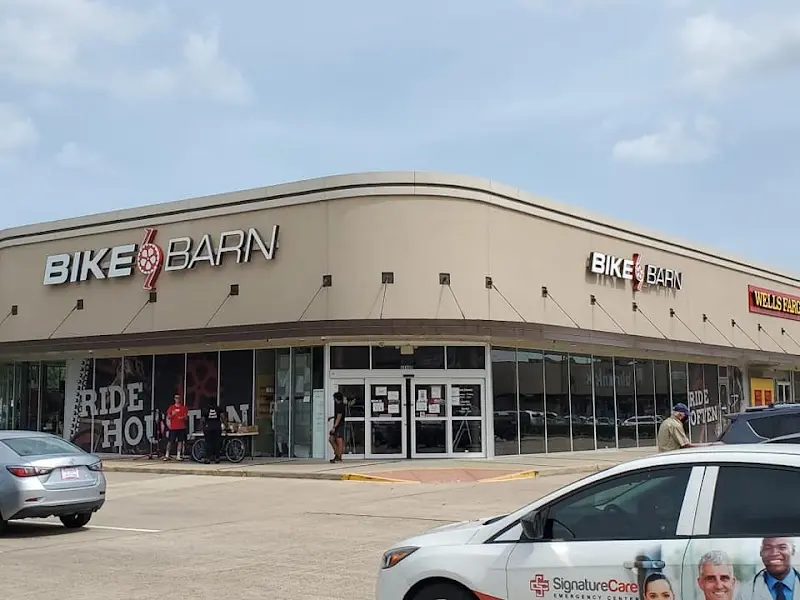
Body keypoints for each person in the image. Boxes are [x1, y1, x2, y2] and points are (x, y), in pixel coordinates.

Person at [164, 394, 189, 461]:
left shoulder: (183, 408)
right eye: (176, 398)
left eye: (178, 398)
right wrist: (173, 414)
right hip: (173, 428)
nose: (177, 399)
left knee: (180, 441)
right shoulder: (171, 407)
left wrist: (183, 417)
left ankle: (178, 455)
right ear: (174, 399)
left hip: (181, 427)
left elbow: (186, 418)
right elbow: (168, 417)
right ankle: (167, 455)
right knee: (170, 441)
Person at [201, 399, 226, 464]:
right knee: (217, 443)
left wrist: (202, 427)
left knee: (208, 443)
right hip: (217, 427)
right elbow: (222, 417)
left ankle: (207, 458)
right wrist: (225, 424)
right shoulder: (218, 409)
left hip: (208, 427)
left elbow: (203, 420)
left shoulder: (205, 409)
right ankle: (217, 458)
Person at [328, 392, 346, 463]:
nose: (333, 399)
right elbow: (338, 415)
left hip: (339, 425)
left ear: (336, 398)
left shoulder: (340, 406)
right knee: (331, 439)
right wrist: (332, 417)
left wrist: (334, 427)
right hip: (337, 425)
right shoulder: (339, 405)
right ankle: (337, 453)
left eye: (334, 398)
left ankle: (339, 457)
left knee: (339, 441)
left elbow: (339, 417)